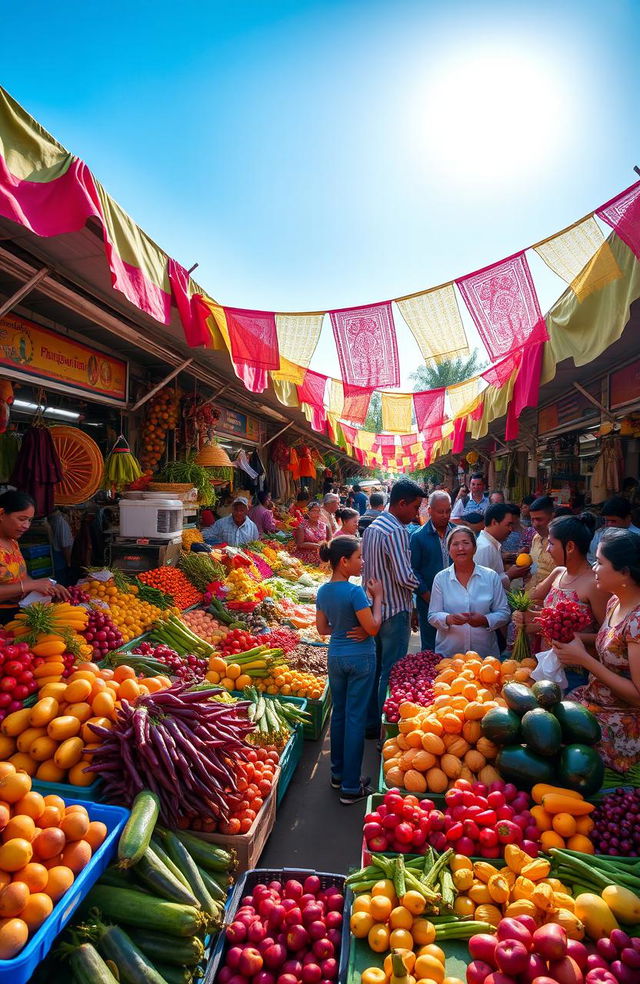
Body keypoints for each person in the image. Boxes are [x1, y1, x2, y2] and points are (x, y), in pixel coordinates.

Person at [553, 529, 640, 773]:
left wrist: (585, 660)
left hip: (621, 724)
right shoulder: (614, 601)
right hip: (592, 701)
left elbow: (637, 696)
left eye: (600, 562)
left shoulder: (637, 621)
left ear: (624, 572)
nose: (593, 568)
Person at [316, 537, 383, 803]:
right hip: (360, 659)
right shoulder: (355, 592)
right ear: (344, 561)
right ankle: (351, 787)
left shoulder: (323, 591)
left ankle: (338, 775)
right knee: (355, 719)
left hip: (336, 656)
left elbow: (322, 629)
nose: (362, 562)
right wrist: (377, 598)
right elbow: (373, 628)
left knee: (340, 716)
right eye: (359, 557)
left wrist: (341, 631)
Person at [514, 516, 611, 687]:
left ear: (570, 547)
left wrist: (563, 635)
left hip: (575, 672)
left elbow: (607, 639)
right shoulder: (558, 573)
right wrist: (524, 614)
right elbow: (530, 599)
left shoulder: (594, 584)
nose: (548, 550)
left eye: (551, 544)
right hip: (545, 664)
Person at [361, 478, 425, 737]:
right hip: (394, 611)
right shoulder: (397, 530)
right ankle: (384, 731)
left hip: (374, 610)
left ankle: (370, 724)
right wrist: (427, 588)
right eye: (415, 507)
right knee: (391, 672)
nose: (416, 513)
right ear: (401, 503)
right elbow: (404, 576)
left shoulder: (374, 526)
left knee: (375, 670)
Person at [428, 526, 510, 657]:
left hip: (484, 656)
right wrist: (449, 619)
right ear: (449, 550)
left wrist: (485, 620)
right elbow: (433, 615)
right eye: (455, 544)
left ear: (475, 548)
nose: (461, 548)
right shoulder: (441, 578)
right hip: (449, 655)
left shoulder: (490, 576)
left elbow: (504, 613)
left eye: (466, 543)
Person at [0, 492, 69, 624]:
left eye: (29, 520)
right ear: (2, 514)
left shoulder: (12, 542)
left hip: (18, 614)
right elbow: (26, 584)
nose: (26, 526)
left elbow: (23, 577)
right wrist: (31, 585)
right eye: (21, 519)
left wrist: (49, 587)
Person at [410, 491, 455, 652]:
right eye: (440, 511)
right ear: (430, 510)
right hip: (428, 601)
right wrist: (426, 594)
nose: (445, 515)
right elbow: (413, 571)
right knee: (430, 647)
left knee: (455, 644)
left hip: (456, 599)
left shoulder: (457, 534)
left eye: (448, 511)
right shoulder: (418, 537)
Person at [474, 503, 530, 588]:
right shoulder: (484, 548)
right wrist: (509, 575)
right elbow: (480, 586)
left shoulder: (491, 544)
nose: (511, 529)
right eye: (508, 525)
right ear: (494, 523)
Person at [588, 495, 640, 566]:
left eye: (613, 521)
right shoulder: (599, 534)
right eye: (606, 520)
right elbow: (591, 559)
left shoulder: (637, 537)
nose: (609, 524)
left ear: (628, 518)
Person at [528, 495, 556, 591]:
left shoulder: (562, 542)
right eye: (532, 520)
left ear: (552, 517)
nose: (535, 524)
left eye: (539, 519)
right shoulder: (536, 538)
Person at [48, 507, 74, 586]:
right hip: (60, 558)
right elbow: (65, 545)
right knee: (61, 584)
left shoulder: (53, 519)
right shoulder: (61, 521)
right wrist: (69, 562)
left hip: (56, 557)